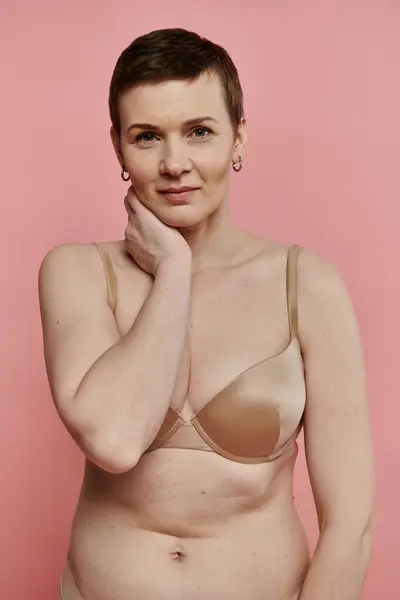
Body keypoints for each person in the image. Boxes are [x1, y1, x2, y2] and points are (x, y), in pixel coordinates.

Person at [38, 27, 375, 600]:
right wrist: (172, 268)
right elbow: (115, 439)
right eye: (147, 137)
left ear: (238, 138)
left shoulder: (307, 285)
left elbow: (350, 526)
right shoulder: (77, 272)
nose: (175, 163)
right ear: (118, 146)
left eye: (199, 132)